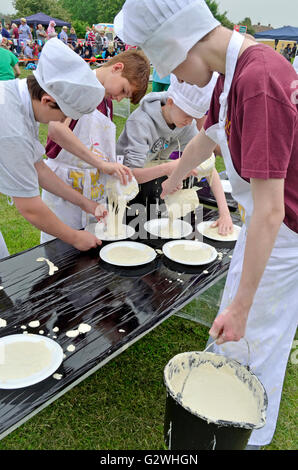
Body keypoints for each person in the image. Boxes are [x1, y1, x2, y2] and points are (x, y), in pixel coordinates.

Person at [115, 0, 298, 450]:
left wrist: (239, 305)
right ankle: (219, 424)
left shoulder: (258, 80)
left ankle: (242, 437)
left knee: (252, 335)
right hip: (268, 224)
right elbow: (209, 135)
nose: (174, 79)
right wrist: (175, 176)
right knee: (239, 327)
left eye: (170, 66)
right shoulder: (233, 75)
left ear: (181, 43)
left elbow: (272, 211)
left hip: (283, 229)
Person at [0, 38, 108, 253]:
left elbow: (38, 167)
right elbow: (30, 207)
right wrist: (75, 236)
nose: (61, 122)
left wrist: (84, 203)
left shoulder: (17, 96)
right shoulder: (12, 129)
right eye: (64, 114)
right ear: (47, 100)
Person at [40, 49, 150, 243]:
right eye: (123, 91)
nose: (119, 98)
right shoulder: (79, 86)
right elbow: (56, 131)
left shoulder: (106, 101)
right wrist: (101, 164)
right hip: (64, 185)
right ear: (117, 68)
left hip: (93, 189)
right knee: (60, 249)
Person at [117, 72, 232, 234]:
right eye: (187, 115)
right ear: (170, 102)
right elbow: (130, 175)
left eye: (194, 117)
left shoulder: (185, 124)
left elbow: (208, 166)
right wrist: (171, 168)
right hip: (123, 192)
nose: (189, 122)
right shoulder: (140, 123)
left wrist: (225, 213)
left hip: (153, 186)